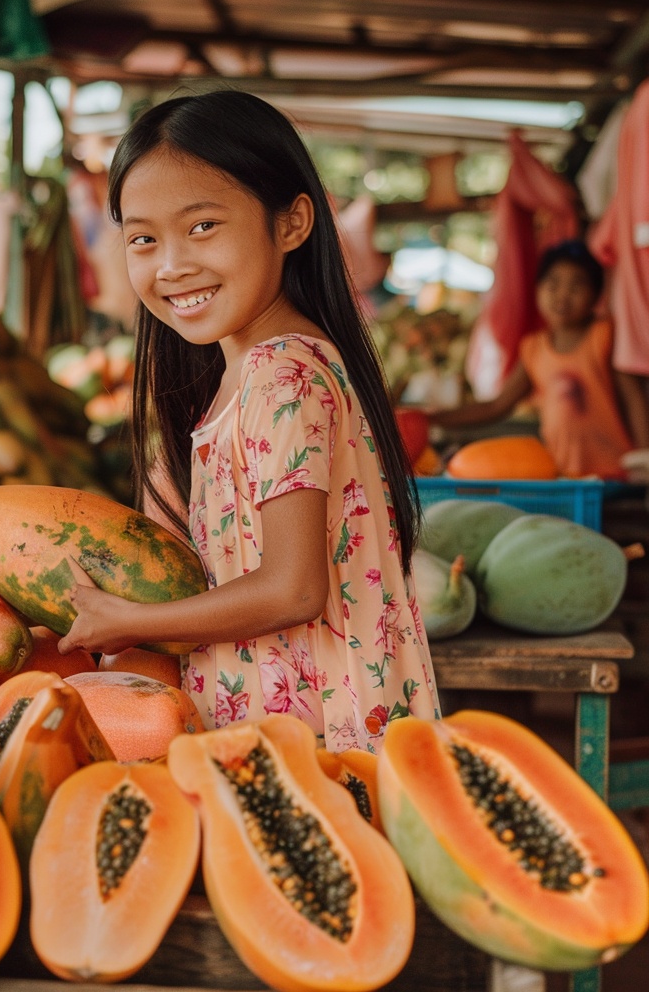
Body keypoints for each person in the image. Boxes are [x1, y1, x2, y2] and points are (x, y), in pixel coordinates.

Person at [57, 89, 441, 752]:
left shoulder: (282, 374)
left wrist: (136, 621)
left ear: (292, 222)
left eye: (202, 226)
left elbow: (292, 589)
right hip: (283, 740)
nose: (172, 264)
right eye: (144, 238)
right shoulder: (249, 374)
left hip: (321, 751)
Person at [427, 240, 649, 480]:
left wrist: (644, 458)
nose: (563, 295)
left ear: (596, 295)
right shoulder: (534, 348)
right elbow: (497, 406)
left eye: (576, 286)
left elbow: (634, 398)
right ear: (538, 290)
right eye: (553, 284)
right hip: (566, 477)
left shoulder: (606, 336)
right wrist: (432, 419)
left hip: (619, 474)